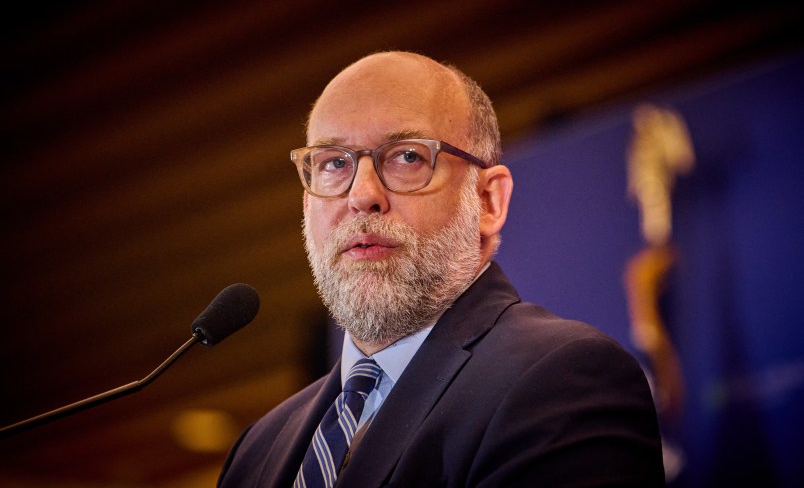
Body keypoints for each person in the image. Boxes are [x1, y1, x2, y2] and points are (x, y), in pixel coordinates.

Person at [217, 51, 665, 487]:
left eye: (407, 157)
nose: (362, 195)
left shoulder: (564, 380)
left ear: (488, 201)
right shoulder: (256, 451)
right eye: (334, 163)